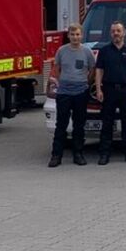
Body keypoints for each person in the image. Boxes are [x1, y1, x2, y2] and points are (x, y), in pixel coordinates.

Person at [94, 21, 126, 165]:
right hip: (109, 90)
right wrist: (98, 89)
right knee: (107, 123)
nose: (116, 33)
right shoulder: (104, 51)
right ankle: (104, 154)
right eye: (113, 31)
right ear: (111, 33)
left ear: (124, 33)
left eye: (118, 31)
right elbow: (99, 71)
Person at [49, 23, 95, 167]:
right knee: (61, 125)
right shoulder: (61, 51)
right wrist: (55, 81)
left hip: (81, 92)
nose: (75, 37)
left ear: (82, 36)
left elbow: (92, 69)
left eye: (78, 34)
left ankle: (78, 154)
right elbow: (56, 68)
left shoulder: (87, 52)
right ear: (68, 36)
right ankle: (56, 156)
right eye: (72, 34)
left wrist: (86, 82)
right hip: (64, 93)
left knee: (79, 125)